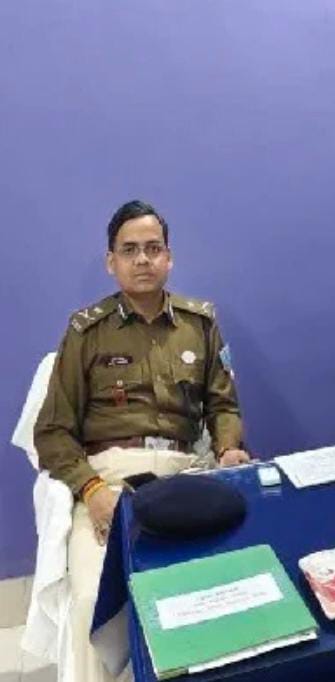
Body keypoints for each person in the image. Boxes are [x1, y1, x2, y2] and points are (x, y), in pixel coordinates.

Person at [34, 199, 250, 682]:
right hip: (110, 482)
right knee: (92, 603)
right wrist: (91, 490)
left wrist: (229, 448)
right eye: (129, 250)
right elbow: (51, 432)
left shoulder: (200, 324)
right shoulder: (86, 332)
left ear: (169, 257)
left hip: (183, 474)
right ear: (111, 262)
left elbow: (223, 406)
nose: (143, 259)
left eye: (153, 248)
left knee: (229, 583)